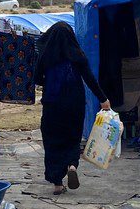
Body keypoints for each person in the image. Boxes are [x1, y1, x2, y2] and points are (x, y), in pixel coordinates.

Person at [35, 22, 110, 195]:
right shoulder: (77, 55)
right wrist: (103, 99)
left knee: (52, 140)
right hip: (74, 104)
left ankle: (57, 184)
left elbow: (37, 79)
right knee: (72, 138)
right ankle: (72, 166)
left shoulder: (45, 56)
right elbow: (90, 79)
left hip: (52, 105)